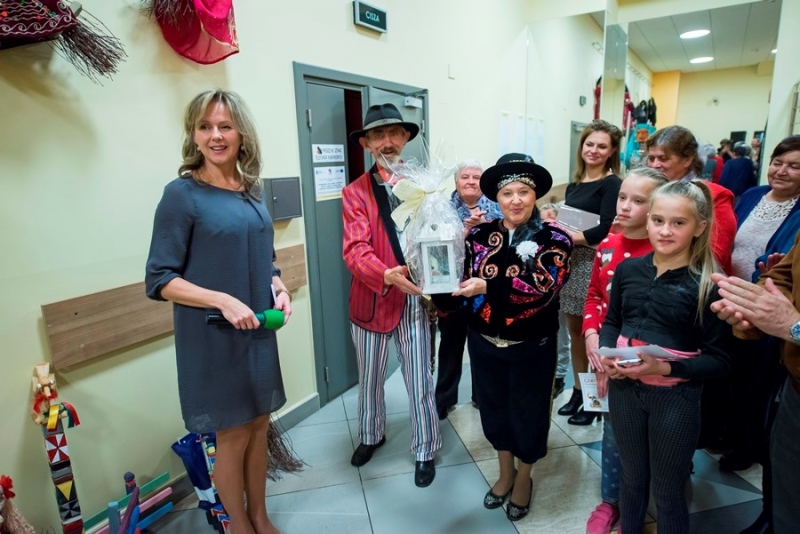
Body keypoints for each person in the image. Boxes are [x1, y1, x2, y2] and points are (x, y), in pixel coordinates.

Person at [145, 89, 291, 534]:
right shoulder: (182, 195)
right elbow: (160, 279)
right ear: (193, 134)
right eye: (205, 126)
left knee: (259, 426)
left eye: (225, 126)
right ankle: (239, 526)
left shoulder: (251, 191)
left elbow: (262, 256)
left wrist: (277, 284)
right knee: (232, 435)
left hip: (257, 330)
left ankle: (260, 516)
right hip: (213, 336)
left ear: (241, 133)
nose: (215, 136)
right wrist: (222, 299)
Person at [434, 153, 572, 522]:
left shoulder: (555, 238)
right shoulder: (479, 234)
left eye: (523, 192)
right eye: (507, 193)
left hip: (532, 345)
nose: (515, 200)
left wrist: (488, 286)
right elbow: (461, 284)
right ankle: (505, 472)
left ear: (535, 194)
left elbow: (543, 287)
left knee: (529, 414)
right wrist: (434, 279)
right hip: (483, 343)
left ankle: (524, 477)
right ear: (496, 197)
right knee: (494, 410)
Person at [599, 180, 732, 534]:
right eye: (658, 220)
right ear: (648, 220)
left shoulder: (709, 284)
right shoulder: (628, 270)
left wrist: (665, 367)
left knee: (668, 489)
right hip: (625, 390)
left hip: (675, 399)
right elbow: (612, 321)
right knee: (632, 477)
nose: (665, 231)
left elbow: (720, 361)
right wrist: (607, 353)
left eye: (678, 223)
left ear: (699, 227)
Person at [342, 103, 440, 487]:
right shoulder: (354, 193)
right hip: (373, 300)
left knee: (420, 380)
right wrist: (385, 274)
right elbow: (354, 250)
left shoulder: (426, 185)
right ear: (366, 144)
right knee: (369, 380)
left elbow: (438, 233)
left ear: (405, 139)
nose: (387, 142)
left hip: (414, 301)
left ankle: (425, 449)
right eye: (378, 135)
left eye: (394, 133)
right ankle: (371, 435)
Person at [583, 167, 668, 534]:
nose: (625, 206)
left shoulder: (665, 250)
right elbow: (594, 295)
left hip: (654, 363)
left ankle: (653, 498)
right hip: (608, 357)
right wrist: (590, 334)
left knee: (657, 436)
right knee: (614, 433)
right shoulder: (607, 245)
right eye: (622, 197)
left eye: (638, 200)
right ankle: (611, 500)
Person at [711, 239, 800, 534]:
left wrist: (794, 325)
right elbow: (782, 275)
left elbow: (791, 323)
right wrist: (753, 306)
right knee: (787, 505)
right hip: (795, 391)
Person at [722, 135, 800, 471]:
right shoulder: (752, 195)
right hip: (731, 298)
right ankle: (726, 433)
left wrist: (766, 280)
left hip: (770, 305)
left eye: (794, 166)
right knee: (729, 372)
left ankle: (747, 446)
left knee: (757, 380)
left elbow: (784, 266)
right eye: (777, 162)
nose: (781, 171)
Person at [557, 120, 623, 426]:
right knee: (574, 332)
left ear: (611, 151)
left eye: (602, 146)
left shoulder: (612, 184)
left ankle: (596, 400)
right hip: (572, 263)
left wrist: (567, 237)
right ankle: (578, 391)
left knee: (591, 334)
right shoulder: (574, 184)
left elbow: (607, 227)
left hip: (594, 263)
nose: (594, 150)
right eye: (589, 144)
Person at [435, 160, 501, 419]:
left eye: (476, 177)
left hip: (485, 291)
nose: (471, 182)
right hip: (452, 291)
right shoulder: (441, 210)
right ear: (456, 182)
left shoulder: (497, 207)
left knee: (483, 347)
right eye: (465, 177)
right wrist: (466, 230)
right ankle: (444, 399)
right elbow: (437, 253)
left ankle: (481, 396)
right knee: (450, 347)